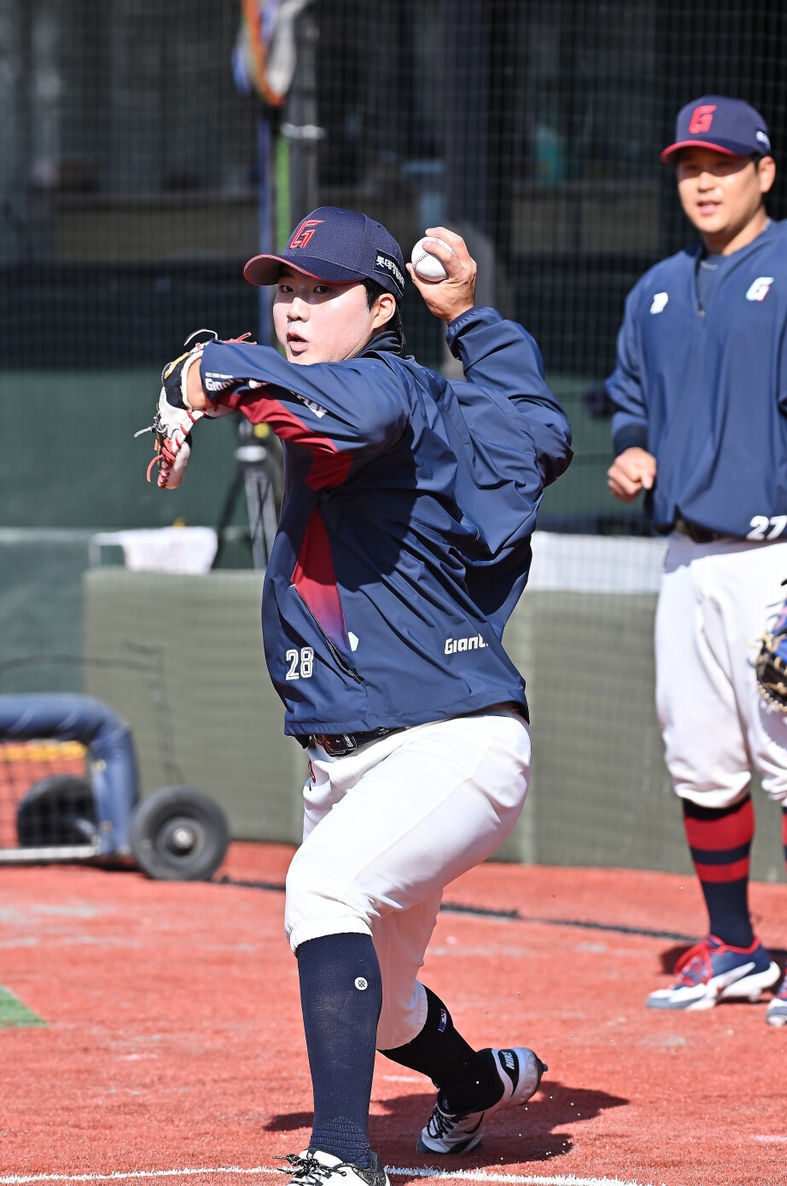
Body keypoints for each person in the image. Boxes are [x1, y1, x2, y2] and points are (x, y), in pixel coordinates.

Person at [149, 207, 572, 1183]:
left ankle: (342, 1157)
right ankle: (474, 1081)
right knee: (383, 1005)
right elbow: (531, 414)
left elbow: (350, 412)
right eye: (285, 289)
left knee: (323, 888)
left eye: (321, 290)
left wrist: (213, 369)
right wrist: (473, 315)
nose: (294, 309)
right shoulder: (432, 396)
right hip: (350, 757)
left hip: (448, 743)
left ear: (381, 307)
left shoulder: (383, 384)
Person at [604, 96, 787, 1025]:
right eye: (690, 165)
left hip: (783, 559)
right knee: (700, 762)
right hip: (685, 558)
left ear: (764, 172)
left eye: (723, 164)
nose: (703, 180)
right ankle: (734, 945)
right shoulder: (654, 286)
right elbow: (630, 394)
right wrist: (632, 445)